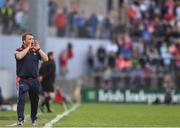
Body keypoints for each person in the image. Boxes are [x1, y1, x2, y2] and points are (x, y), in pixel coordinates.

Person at [15, 32, 48, 125]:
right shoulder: (19, 50)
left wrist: (39, 49)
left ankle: (34, 118)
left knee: (34, 100)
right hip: (23, 80)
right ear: (24, 41)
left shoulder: (35, 51)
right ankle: (20, 118)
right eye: (29, 39)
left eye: (32, 39)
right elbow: (19, 56)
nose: (32, 41)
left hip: (34, 80)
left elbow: (46, 59)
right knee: (21, 99)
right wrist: (28, 47)